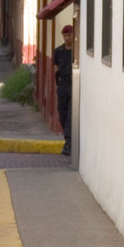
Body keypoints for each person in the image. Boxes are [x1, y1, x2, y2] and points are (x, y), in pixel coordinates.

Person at [53, 25, 73, 155]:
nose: (67, 38)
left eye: (69, 35)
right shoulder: (58, 51)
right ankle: (68, 139)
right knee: (62, 112)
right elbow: (56, 69)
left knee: (71, 113)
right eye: (65, 36)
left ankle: (68, 141)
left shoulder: (76, 51)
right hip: (62, 84)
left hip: (72, 83)